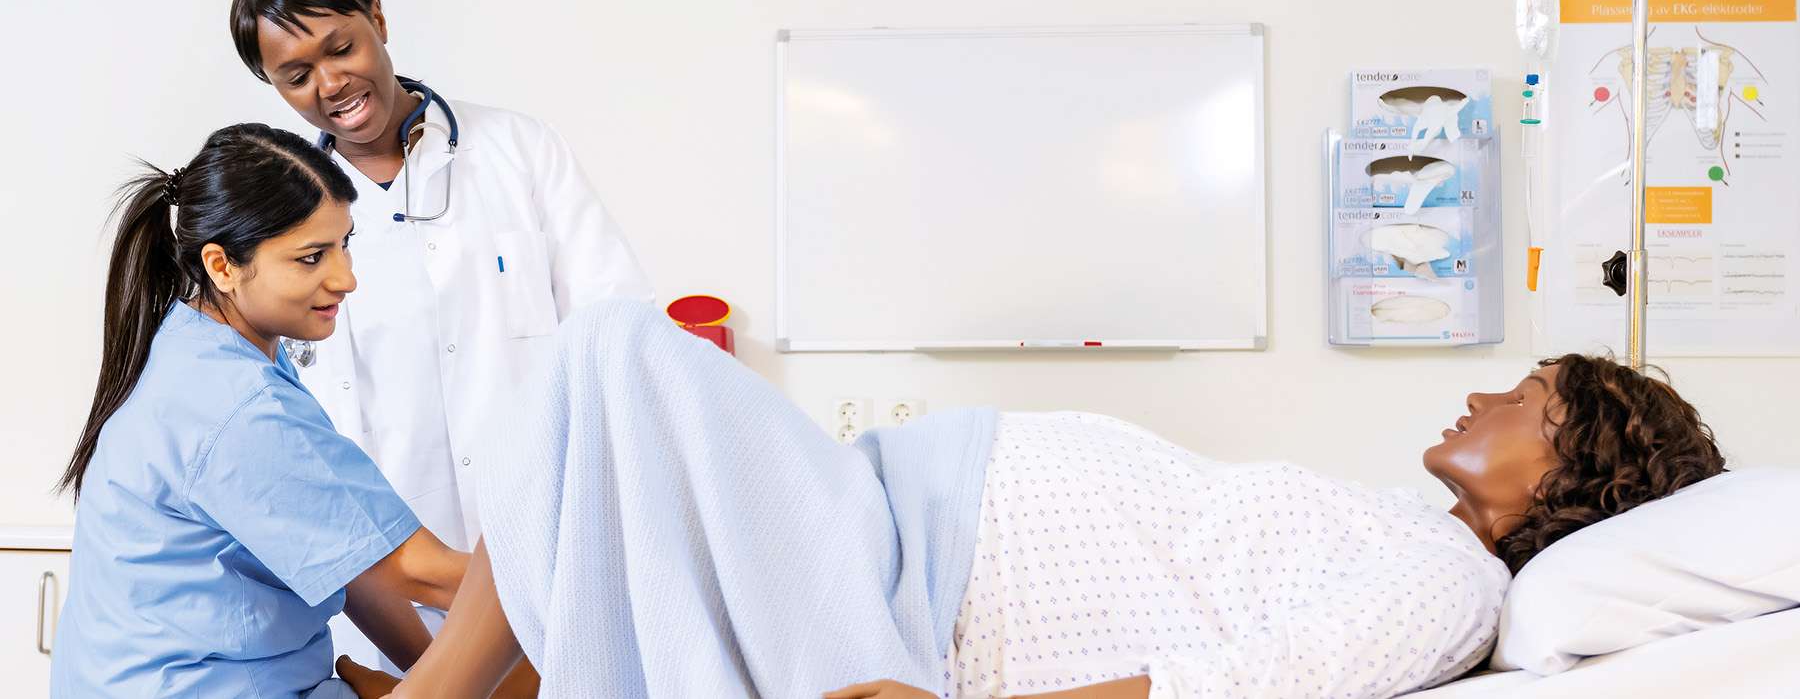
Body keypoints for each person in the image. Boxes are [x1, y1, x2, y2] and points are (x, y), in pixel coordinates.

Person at [342, 302, 1725, 699]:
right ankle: (469, 653)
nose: (1483, 396)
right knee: (601, 411)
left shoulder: (1454, 583)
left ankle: (447, 670)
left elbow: (1240, 687)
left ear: (1572, 464)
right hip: (890, 524)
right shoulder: (1407, 532)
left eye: (1524, 396)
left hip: (901, 589)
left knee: (609, 356)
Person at [229, 0, 655, 668]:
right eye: (297, 76)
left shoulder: (520, 151)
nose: (331, 84)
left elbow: (621, 337)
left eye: (341, 48)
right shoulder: (279, 218)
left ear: (378, 19)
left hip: (550, 559)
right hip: (382, 595)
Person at [49, 124, 479, 697]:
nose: (346, 278)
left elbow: (351, 560)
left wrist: (429, 679)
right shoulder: (235, 404)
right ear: (222, 266)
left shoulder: (197, 345)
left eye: (345, 243)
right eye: (311, 257)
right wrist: (560, 574)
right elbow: (420, 572)